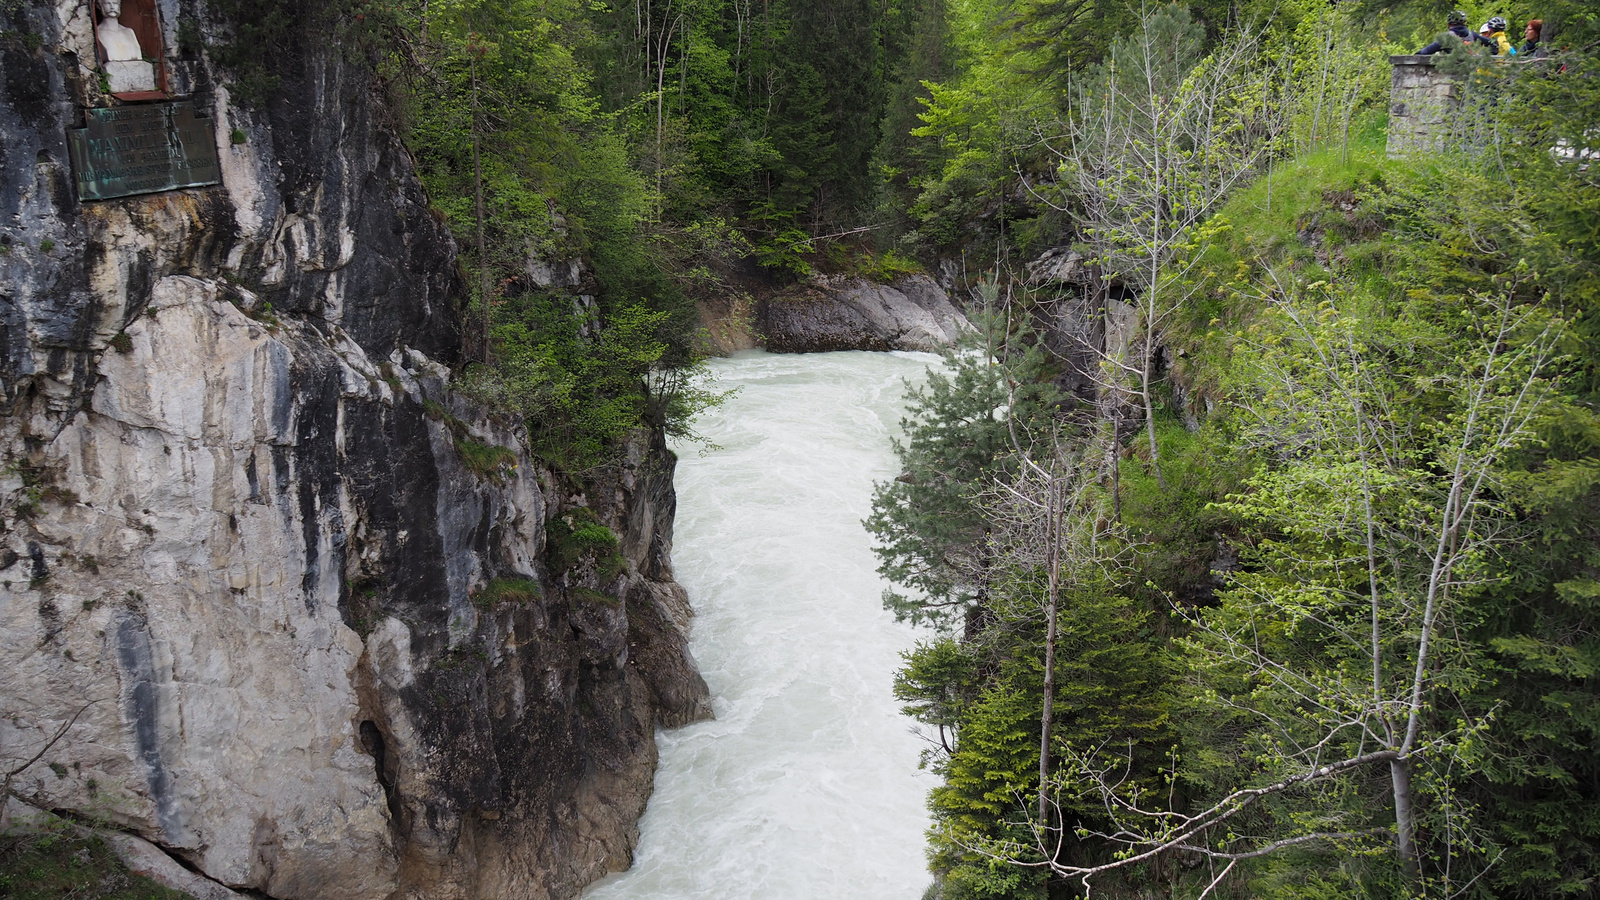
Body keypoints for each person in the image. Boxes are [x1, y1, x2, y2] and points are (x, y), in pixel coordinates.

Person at [1417, 10, 1495, 55]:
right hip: (1473, 73)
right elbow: (1493, 45)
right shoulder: (1473, 35)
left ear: (1448, 24)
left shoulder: (1446, 37)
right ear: (1464, 23)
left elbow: (1425, 52)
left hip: (1452, 75)